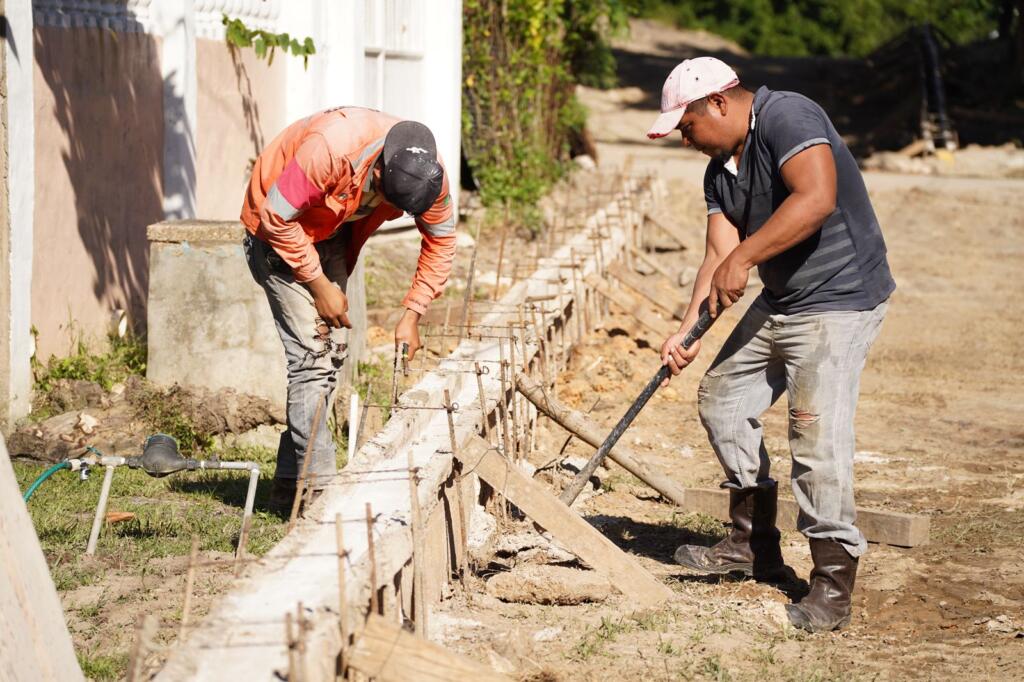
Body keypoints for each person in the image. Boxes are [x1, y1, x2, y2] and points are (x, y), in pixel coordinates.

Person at [647, 57, 895, 632]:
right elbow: (717, 256)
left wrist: (746, 258)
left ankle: (831, 586)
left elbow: (816, 198)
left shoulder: (788, 115)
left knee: (814, 437)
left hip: (840, 297)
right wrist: (686, 332)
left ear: (719, 102)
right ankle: (753, 544)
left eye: (686, 127)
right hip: (783, 298)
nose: (686, 140)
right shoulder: (718, 172)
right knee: (723, 400)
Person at [240, 107, 456, 510]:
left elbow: (442, 241)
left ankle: (290, 487)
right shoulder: (330, 151)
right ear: (378, 173)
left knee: (330, 360)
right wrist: (319, 284)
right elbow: (275, 218)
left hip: (331, 232)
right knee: (311, 361)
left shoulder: (428, 175)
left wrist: (413, 313)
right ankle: (322, 499)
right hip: (275, 232)